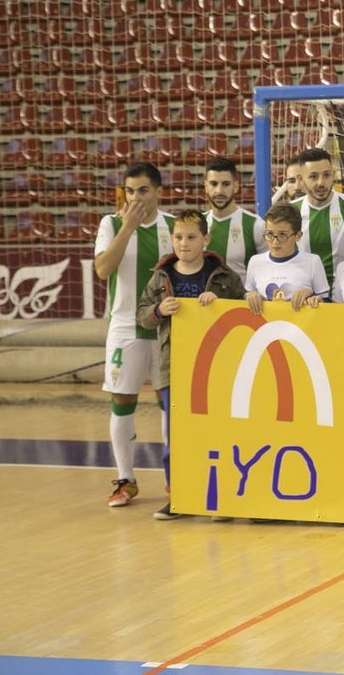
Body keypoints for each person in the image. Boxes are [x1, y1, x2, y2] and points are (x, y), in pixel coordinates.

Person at [136, 210, 246, 520]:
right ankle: (180, 496)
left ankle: (222, 498)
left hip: (218, 370)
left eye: (191, 237)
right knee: (178, 437)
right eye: (178, 238)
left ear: (206, 239)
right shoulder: (161, 277)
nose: (184, 244)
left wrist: (221, 305)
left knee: (220, 435)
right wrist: (159, 309)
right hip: (176, 370)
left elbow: (244, 314)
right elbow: (142, 316)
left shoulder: (224, 277)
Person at [93, 162, 174, 508]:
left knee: (168, 400)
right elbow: (102, 270)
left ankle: (177, 477)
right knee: (122, 399)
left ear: (158, 191)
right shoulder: (110, 224)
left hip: (168, 326)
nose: (136, 197)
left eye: (143, 190)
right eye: (130, 191)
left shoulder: (173, 226)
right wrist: (127, 227)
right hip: (125, 326)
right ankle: (126, 478)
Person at [244, 203, 330, 312]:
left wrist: (313, 296)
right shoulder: (255, 262)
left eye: (283, 235)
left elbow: (326, 302)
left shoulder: (313, 262)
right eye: (270, 234)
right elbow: (247, 296)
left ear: (298, 236)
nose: (275, 242)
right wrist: (250, 296)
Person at [291, 147, 344, 290]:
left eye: (326, 175)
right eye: (313, 176)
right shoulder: (291, 212)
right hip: (305, 296)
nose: (321, 182)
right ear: (301, 179)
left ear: (333, 175)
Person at [203, 156, 264, 282]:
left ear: (236, 186)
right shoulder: (198, 224)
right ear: (206, 186)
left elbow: (268, 268)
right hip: (202, 301)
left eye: (226, 184)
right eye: (214, 184)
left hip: (241, 301)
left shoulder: (255, 225)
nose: (219, 191)